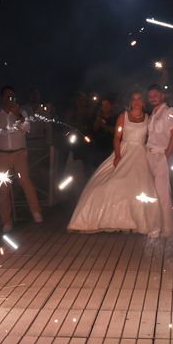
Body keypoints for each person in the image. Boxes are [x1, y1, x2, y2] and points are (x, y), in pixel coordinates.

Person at [68, 90, 161, 235]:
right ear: (130, 102)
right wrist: (117, 155)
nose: (136, 102)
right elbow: (117, 137)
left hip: (140, 154)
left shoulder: (148, 118)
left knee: (138, 186)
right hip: (124, 151)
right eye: (133, 99)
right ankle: (101, 219)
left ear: (143, 102)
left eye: (139, 99)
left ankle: (136, 221)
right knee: (109, 184)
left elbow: (153, 136)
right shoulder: (123, 116)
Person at [0, 86, 42, 232]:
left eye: (12, 96)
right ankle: (6, 222)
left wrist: (18, 116)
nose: (10, 98)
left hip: (18, 154)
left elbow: (26, 129)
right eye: (7, 96)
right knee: (3, 189)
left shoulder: (20, 113)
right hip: (0, 156)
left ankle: (36, 213)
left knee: (25, 181)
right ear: (2, 98)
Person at [146, 84, 173, 237]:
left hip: (161, 155)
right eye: (150, 95)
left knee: (163, 193)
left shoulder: (170, 112)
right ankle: (155, 226)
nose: (152, 97)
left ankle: (167, 229)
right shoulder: (152, 114)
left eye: (155, 94)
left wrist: (166, 156)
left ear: (162, 96)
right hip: (149, 155)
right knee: (153, 193)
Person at [91, 96, 117, 168]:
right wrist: (98, 119)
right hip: (100, 147)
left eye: (107, 104)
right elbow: (95, 129)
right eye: (103, 105)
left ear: (110, 106)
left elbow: (115, 130)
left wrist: (104, 126)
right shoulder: (98, 117)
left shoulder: (115, 117)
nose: (105, 106)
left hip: (111, 147)